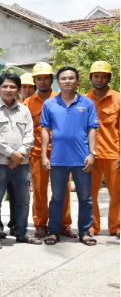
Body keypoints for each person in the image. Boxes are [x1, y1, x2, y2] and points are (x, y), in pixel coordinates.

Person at [41, 67, 98, 246]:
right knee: (57, 197)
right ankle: (54, 231)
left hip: (82, 159)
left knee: (85, 197)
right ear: (58, 82)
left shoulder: (87, 103)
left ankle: (85, 231)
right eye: (63, 78)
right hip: (58, 159)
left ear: (77, 81)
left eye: (71, 78)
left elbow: (92, 130)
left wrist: (92, 153)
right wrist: (44, 155)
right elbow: (45, 129)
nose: (67, 81)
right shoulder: (49, 104)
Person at [0, 73, 42, 249]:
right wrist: (12, 153)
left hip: (21, 164)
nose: (8, 90)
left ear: (18, 89)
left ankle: (22, 232)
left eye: (12, 87)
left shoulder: (24, 110)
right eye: (5, 87)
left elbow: (29, 135)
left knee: (23, 200)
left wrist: (21, 153)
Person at [24, 62, 76, 239]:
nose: (43, 82)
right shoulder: (28, 103)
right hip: (38, 153)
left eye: (46, 78)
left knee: (63, 191)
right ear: (35, 81)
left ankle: (64, 224)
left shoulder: (63, 99)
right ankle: (40, 224)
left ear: (51, 79)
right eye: (39, 79)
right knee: (39, 191)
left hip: (62, 153)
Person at [85, 61, 119, 239]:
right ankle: (92, 226)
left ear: (109, 78)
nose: (99, 80)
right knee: (90, 193)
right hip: (90, 155)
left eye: (103, 76)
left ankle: (116, 226)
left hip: (113, 153)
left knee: (116, 193)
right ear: (91, 77)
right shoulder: (84, 99)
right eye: (96, 76)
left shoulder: (117, 98)